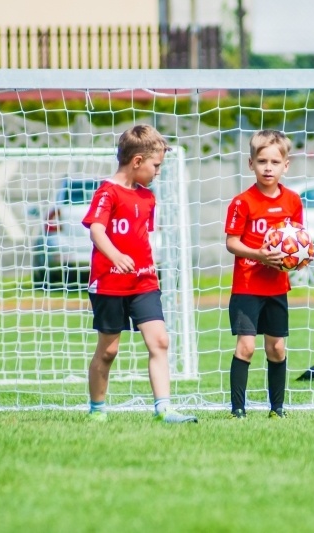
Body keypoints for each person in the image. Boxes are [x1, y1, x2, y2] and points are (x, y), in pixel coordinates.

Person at [81, 124, 197, 424]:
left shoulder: (148, 197)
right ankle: (97, 410)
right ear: (137, 162)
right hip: (109, 284)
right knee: (108, 351)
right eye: (155, 165)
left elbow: (142, 237)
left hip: (144, 282)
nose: (158, 171)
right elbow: (96, 230)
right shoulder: (107, 192)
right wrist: (116, 255)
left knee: (159, 341)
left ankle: (164, 408)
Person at [224, 130, 304, 419]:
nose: (268, 167)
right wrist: (259, 255)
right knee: (246, 347)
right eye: (261, 161)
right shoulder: (242, 202)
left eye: (274, 161)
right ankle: (238, 409)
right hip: (247, 286)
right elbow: (231, 242)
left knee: (277, 349)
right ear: (251, 164)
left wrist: (300, 258)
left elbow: (297, 240)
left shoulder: (293, 201)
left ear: (286, 165)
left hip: (277, 287)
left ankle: (277, 408)